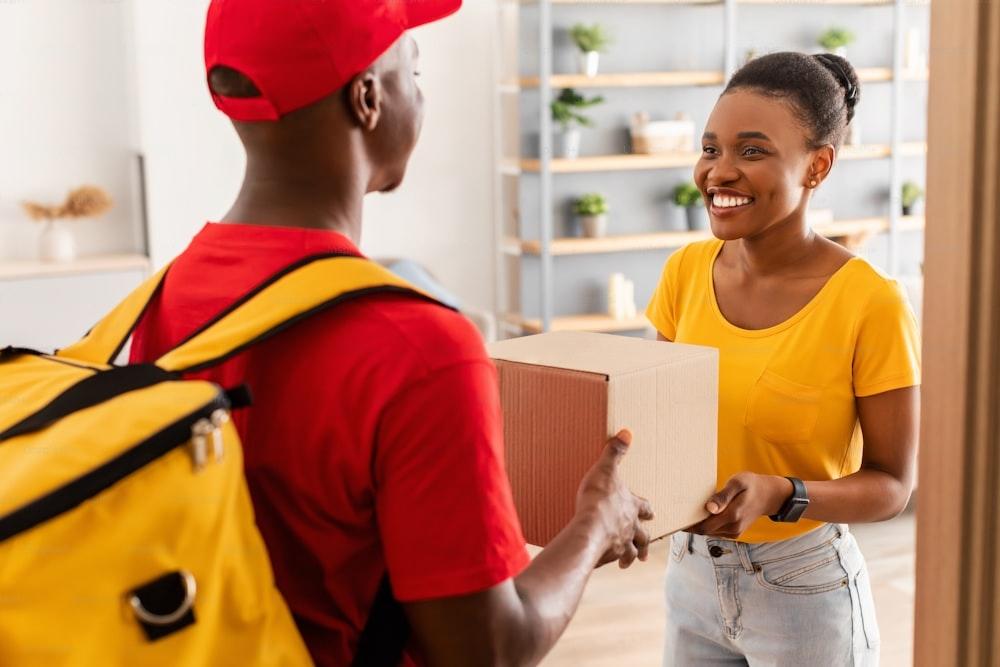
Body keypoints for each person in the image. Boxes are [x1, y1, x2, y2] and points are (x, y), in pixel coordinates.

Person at [129, 1, 653, 665]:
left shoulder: (161, 298)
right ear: (367, 98)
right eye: (416, 71)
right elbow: (488, 647)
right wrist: (595, 522)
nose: (422, 96)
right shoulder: (420, 346)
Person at [647, 52, 920, 666]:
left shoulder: (870, 300)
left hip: (804, 589)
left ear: (818, 165)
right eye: (710, 148)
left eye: (752, 151)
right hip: (689, 579)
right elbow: (660, 423)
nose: (719, 172)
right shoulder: (684, 273)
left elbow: (892, 486)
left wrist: (780, 492)